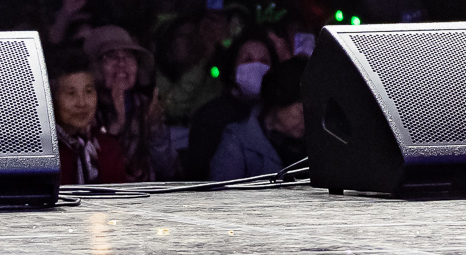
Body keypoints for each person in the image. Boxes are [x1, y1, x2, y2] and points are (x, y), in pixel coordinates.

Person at [181, 27, 278, 178]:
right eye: (247, 60)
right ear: (232, 70)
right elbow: (198, 174)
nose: (256, 66)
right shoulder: (209, 116)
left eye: (264, 61)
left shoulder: (279, 114)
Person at [86, 24, 170, 180]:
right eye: (110, 55)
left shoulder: (146, 105)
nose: (121, 62)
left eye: (129, 55)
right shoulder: (83, 109)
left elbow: (167, 171)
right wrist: (113, 130)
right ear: (94, 67)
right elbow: (91, 175)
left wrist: (155, 130)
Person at [209, 55, 306, 179]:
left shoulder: (316, 142)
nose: (306, 119)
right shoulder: (237, 141)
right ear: (279, 99)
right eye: (301, 111)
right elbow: (222, 194)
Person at [53, 54, 132, 184]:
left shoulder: (108, 148)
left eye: (89, 91)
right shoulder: (42, 153)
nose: (82, 103)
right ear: (52, 99)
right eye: (71, 93)